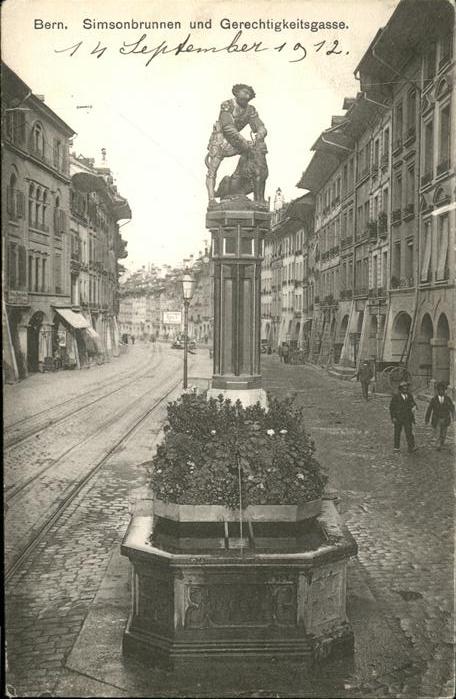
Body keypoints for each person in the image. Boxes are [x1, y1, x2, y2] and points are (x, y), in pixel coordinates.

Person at [205, 84, 267, 203]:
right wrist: (244, 142)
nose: (247, 95)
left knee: (253, 154)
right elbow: (227, 127)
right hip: (220, 140)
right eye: (244, 92)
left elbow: (259, 124)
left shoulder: (250, 110)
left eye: (249, 94)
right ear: (236, 92)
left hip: (237, 141)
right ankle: (211, 199)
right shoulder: (227, 105)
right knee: (212, 170)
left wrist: (261, 132)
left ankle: (241, 185)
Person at [425, 382, 455, 451]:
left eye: (443, 390)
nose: (441, 391)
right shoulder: (434, 399)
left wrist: (454, 416)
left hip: (445, 419)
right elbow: (429, 409)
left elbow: (452, 408)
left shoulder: (448, 399)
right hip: (437, 419)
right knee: (437, 432)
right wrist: (427, 419)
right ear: (438, 391)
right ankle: (438, 445)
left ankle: (442, 442)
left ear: (445, 391)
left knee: (444, 433)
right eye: (440, 390)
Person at [389, 381, 418, 453]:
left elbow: (413, 403)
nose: (405, 388)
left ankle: (411, 447)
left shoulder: (410, 396)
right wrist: (393, 417)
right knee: (397, 432)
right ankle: (396, 447)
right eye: (403, 387)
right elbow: (391, 408)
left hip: (408, 418)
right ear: (400, 389)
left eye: (406, 387)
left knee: (409, 432)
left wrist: (414, 406)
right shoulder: (396, 397)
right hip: (398, 417)